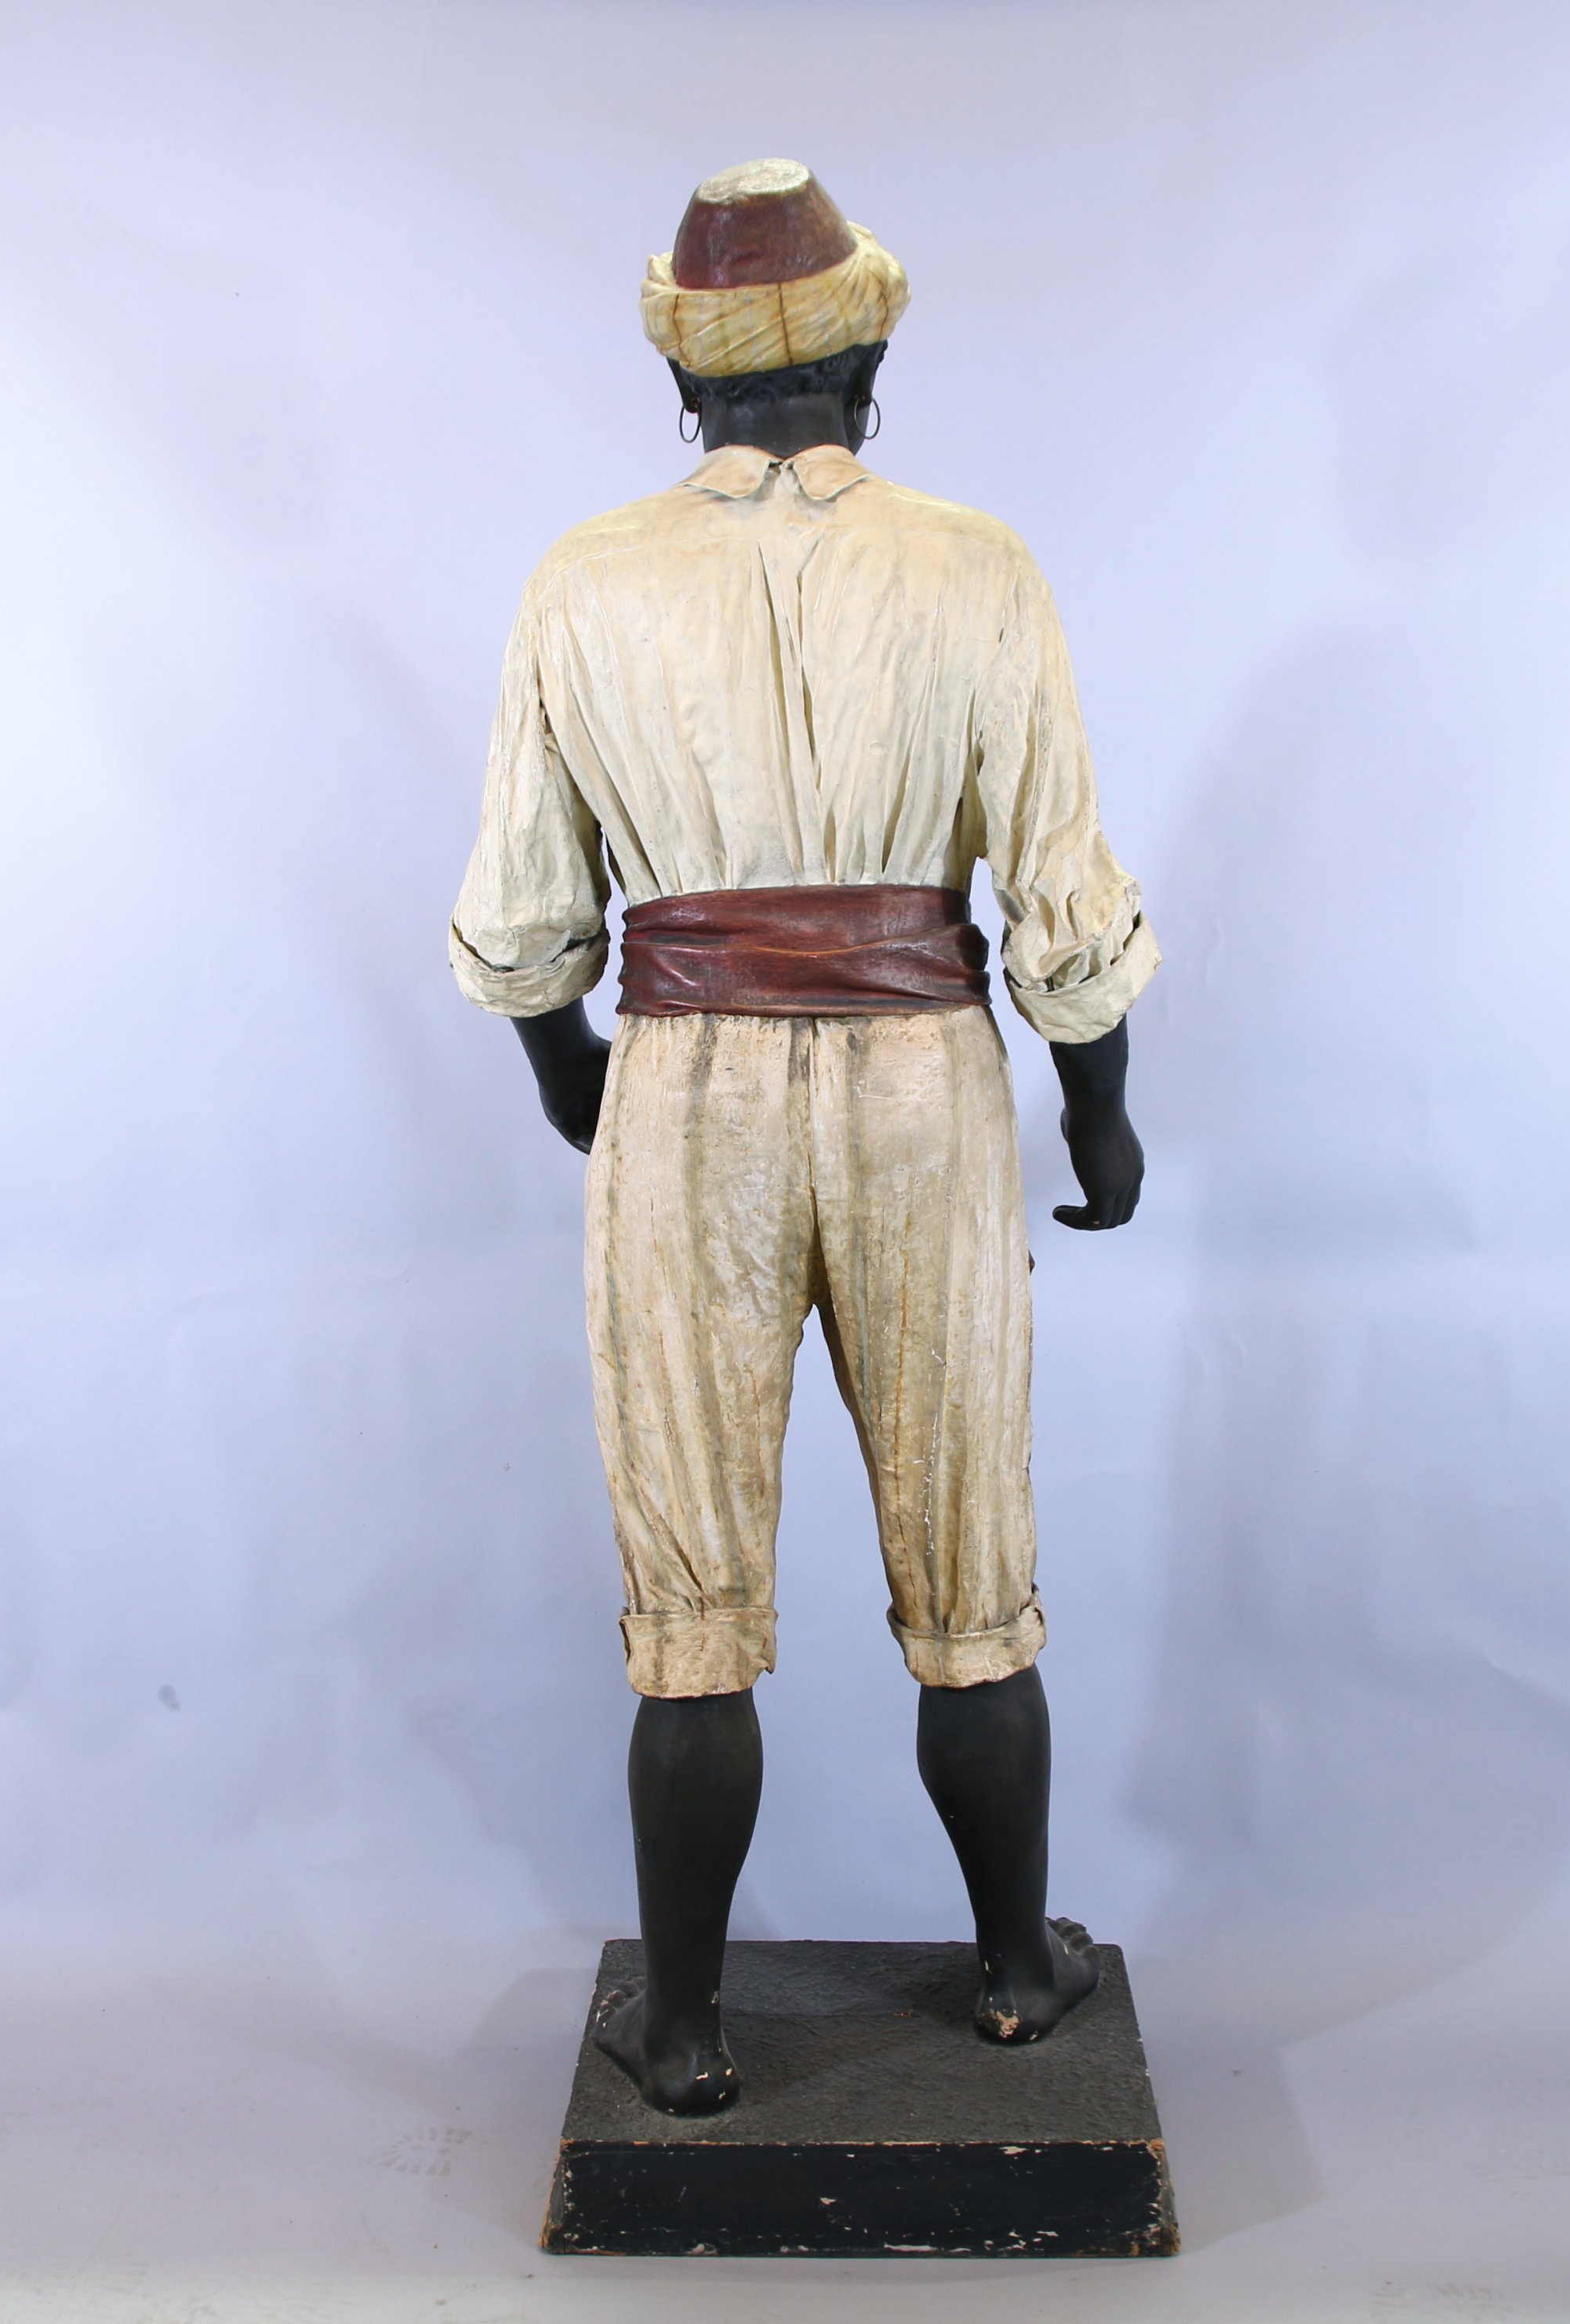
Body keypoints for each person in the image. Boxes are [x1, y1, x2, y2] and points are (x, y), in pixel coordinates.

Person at [451, 159, 1158, 2114]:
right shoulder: (978, 565)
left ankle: (687, 2031)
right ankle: (1012, 1968)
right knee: (969, 1546)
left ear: (684, 385)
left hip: (685, 1086)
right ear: (869, 368)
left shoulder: (584, 577)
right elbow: (1063, 900)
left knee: (691, 1594)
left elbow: (524, 913)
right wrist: (1100, 1116)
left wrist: (578, 1079)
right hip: (926, 1077)